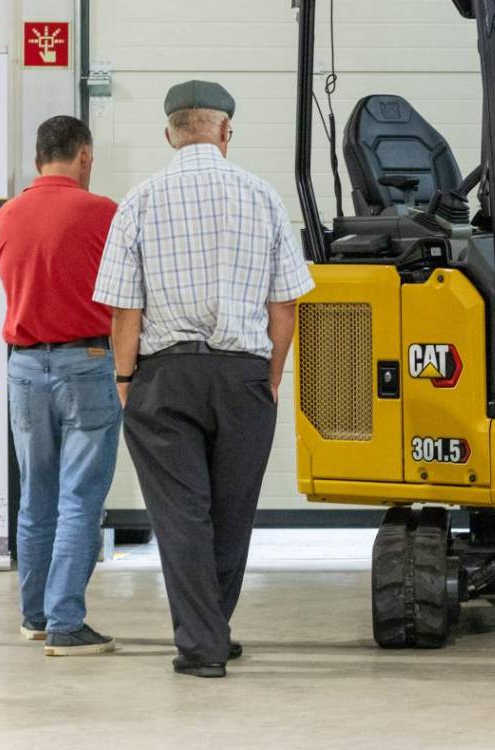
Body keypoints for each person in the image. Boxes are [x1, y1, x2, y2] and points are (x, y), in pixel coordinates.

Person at [94, 80, 314, 679]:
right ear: (225, 131)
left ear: (170, 132)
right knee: (232, 510)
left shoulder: (139, 201)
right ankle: (212, 629)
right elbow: (286, 307)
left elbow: (124, 311)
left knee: (181, 514)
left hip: (164, 377)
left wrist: (124, 380)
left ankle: (202, 641)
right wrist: (270, 378)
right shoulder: (264, 199)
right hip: (243, 375)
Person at [0, 115, 121, 656]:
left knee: (35, 498)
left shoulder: (8, 215)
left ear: (39, 155)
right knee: (79, 501)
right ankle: (67, 622)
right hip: (87, 363)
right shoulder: (102, 212)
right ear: (84, 156)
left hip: (23, 367)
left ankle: (35, 616)